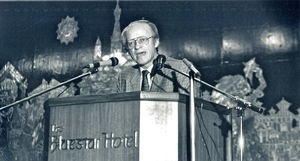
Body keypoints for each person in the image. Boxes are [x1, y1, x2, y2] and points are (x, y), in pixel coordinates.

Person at [117, 19, 200, 96]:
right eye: (131, 43)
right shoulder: (124, 76)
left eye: (142, 40)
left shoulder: (180, 69)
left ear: (156, 42)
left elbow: (190, 109)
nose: (137, 46)